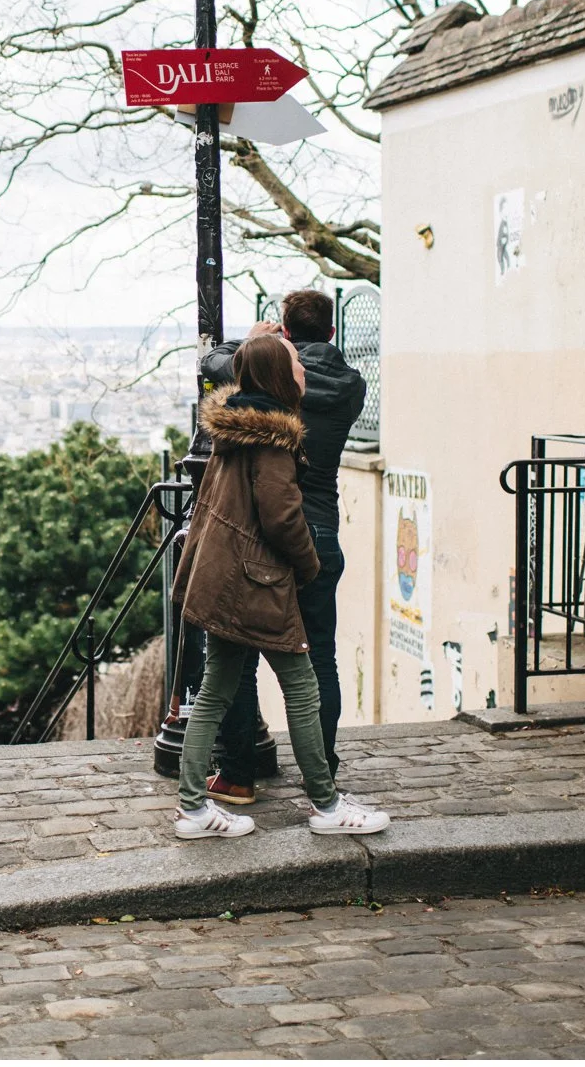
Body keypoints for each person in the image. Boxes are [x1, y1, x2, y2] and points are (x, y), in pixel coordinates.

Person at [169, 335, 388, 838]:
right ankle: (328, 807)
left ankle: (193, 809)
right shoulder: (273, 438)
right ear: (276, 375)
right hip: (257, 580)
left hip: (223, 577)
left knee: (215, 692)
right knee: (303, 688)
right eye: (295, 365)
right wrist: (308, 566)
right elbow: (282, 517)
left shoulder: (234, 429)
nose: (304, 372)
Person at [197, 290, 367, 805]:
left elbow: (214, 360)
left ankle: (237, 774)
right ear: (333, 333)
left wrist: (255, 339)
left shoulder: (266, 377)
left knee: (238, 652)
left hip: (262, 534)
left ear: (286, 335)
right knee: (321, 656)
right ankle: (324, 769)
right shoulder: (352, 386)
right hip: (320, 528)